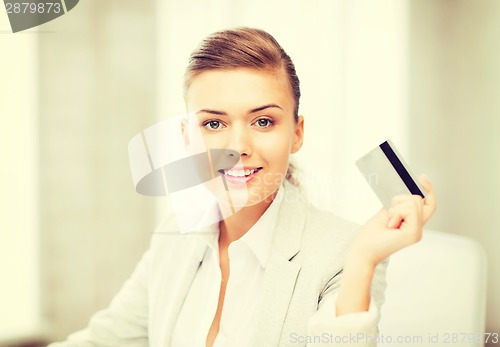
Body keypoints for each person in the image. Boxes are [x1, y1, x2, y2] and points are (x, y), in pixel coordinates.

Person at [48, 27, 436, 347]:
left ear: (297, 133)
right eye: (214, 124)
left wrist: (363, 259)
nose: (238, 148)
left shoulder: (344, 254)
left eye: (263, 121)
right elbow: (105, 339)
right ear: (187, 137)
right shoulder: (175, 235)